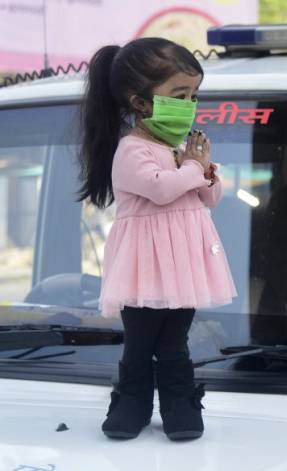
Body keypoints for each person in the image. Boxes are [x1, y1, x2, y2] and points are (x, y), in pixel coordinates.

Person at [78, 38, 237, 440]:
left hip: (182, 271)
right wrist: (194, 168)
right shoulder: (132, 150)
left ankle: (181, 411)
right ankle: (129, 409)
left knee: (175, 345)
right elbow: (161, 189)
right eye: (179, 95)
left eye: (194, 95)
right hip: (142, 272)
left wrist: (205, 171)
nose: (189, 104)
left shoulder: (180, 149)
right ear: (141, 103)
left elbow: (211, 197)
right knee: (138, 344)